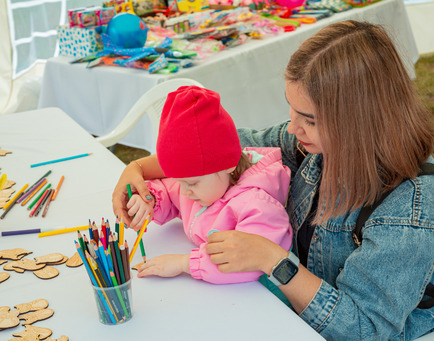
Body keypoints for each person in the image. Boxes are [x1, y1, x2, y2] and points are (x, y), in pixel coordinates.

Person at [112, 21, 434, 339]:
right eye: (291, 110)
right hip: (277, 313)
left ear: (359, 121)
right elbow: (217, 148)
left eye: (309, 120)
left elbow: (363, 329)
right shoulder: (311, 144)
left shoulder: (409, 207)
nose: (292, 128)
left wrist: (271, 259)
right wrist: (138, 170)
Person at [125, 85, 292, 284]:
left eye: (191, 183)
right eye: (179, 181)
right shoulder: (204, 182)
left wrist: (184, 264)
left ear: (229, 165)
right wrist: (150, 201)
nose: (185, 191)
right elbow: (171, 192)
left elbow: (246, 263)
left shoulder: (258, 206)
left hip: (261, 296)